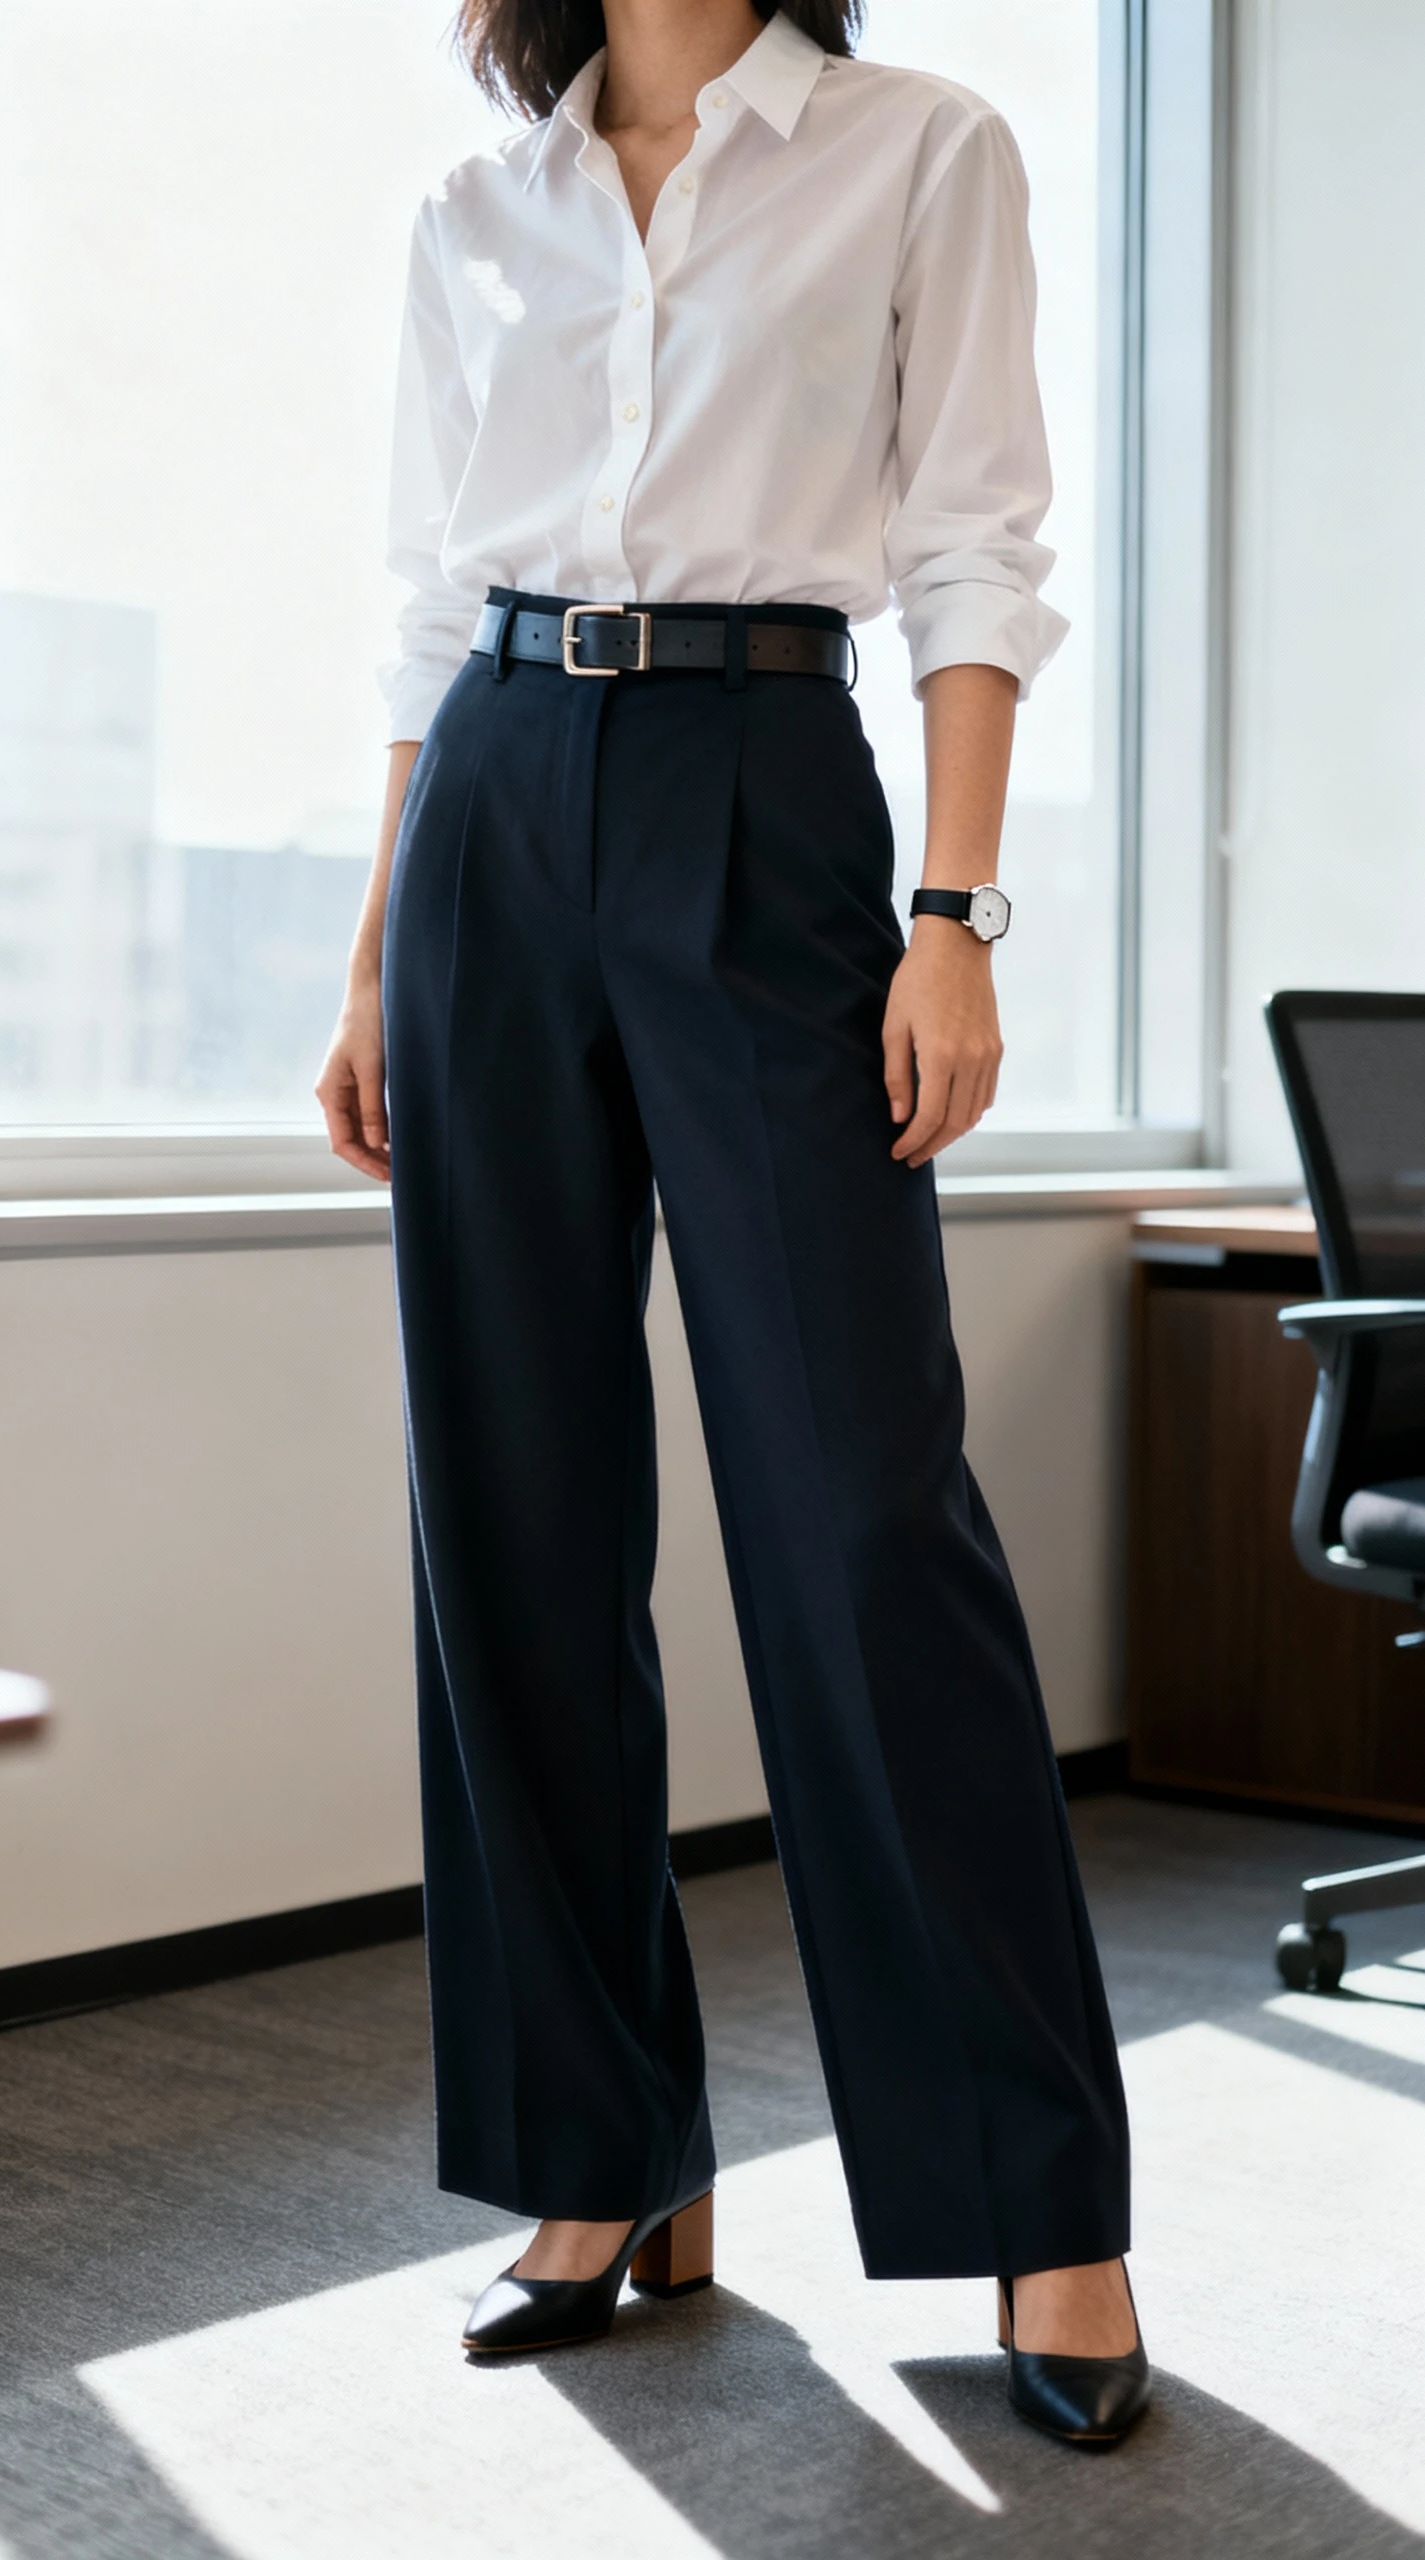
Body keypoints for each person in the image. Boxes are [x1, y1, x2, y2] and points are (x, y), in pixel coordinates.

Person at [317, 0, 1149, 2448]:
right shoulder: (480, 207)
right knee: (513, 1505)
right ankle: (603, 2161)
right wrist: (378, 950)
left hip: (769, 789)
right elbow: (411, 599)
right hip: (491, 794)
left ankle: (1041, 2196)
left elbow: (979, 540)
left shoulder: (921, 146)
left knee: (862, 1510)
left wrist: (956, 909)